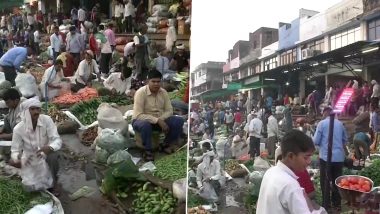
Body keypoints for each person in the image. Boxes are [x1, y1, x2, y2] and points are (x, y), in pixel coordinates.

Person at [257, 130, 326, 214]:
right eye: (306, 157)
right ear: (291, 156)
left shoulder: (271, 172)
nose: (309, 162)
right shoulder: (290, 185)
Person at [9, 98, 62, 196]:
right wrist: (17, 158)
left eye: (38, 109)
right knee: (31, 188)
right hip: (29, 158)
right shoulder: (18, 129)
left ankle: (54, 184)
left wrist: (49, 147)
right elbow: (15, 150)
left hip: (45, 153)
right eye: (32, 109)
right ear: (25, 112)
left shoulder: (46, 120)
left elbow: (57, 140)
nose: (36, 112)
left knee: (53, 156)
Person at [131, 69, 184, 161]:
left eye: (158, 81)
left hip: (159, 120)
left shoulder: (163, 92)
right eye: (153, 81)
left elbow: (169, 110)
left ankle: (165, 144)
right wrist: (157, 120)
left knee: (179, 121)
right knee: (145, 125)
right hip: (141, 121)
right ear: (148, 81)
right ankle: (147, 150)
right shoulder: (140, 93)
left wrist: (161, 119)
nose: (156, 84)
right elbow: (138, 115)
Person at [313, 106, 348, 212]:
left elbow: (315, 141)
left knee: (325, 182)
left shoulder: (322, 124)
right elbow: (345, 140)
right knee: (337, 182)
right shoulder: (340, 124)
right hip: (339, 159)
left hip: (325, 158)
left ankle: (326, 205)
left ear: (325, 113)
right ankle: (337, 205)